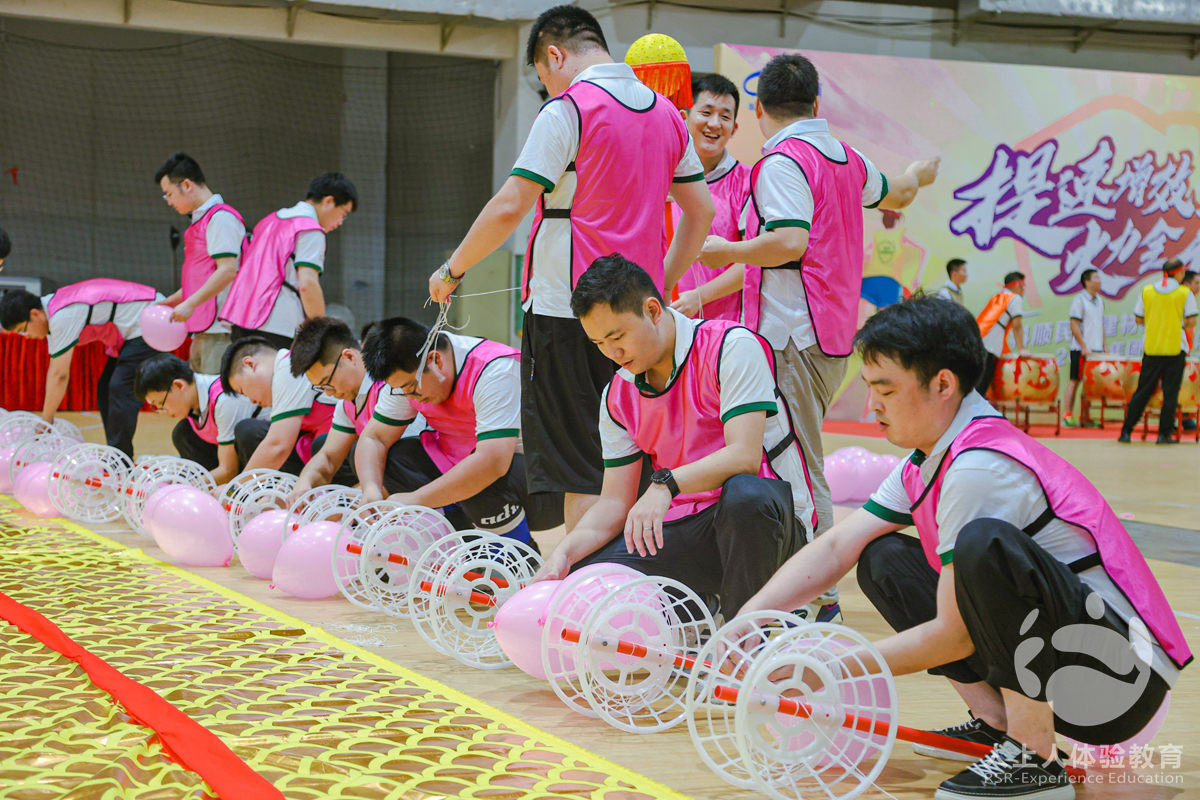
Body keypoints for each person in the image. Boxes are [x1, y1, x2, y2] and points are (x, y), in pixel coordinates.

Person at [738, 295, 1188, 800]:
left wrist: (823, 669)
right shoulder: (929, 457)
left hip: (1119, 684)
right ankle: (998, 724)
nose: (873, 406)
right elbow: (839, 544)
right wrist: (747, 619)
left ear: (943, 385)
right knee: (884, 560)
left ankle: (1034, 757)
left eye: (885, 390)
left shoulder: (980, 468)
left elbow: (950, 637)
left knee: (982, 546)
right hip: (1070, 664)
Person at [427, 5, 714, 534]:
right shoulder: (668, 115)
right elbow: (702, 212)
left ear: (555, 55)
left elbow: (511, 205)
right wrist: (662, 284)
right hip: (647, 320)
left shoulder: (568, 109)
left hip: (569, 315)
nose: (547, 86)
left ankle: (583, 580)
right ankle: (633, 575)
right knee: (634, 457)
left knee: (581, 467)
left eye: (543, 74)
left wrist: (452, 269)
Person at [697, 52, 938, 536]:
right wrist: (918, 172)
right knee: (787, 460)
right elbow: (900, 193)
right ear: (816, 104)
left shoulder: (781, 163)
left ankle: (819, 578)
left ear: (758, 108)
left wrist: (727, 250)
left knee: (800, 469)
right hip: (828, 335)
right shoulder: (847, 157)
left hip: (791, 337)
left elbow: (789, 241)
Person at [531, 255, 818, 621]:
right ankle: (698, 608)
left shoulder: (731, 346)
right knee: (586, 572)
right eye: (599, 342)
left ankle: (743, 634)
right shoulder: (617, 395)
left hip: (769, 526)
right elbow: (614, 502)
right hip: (690, 524)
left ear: (653, 310)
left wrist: (665, 484)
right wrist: (564, 552)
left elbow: (744, 457)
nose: (612, 353)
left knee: (745, 496)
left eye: (617, 337)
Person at [356, 317, 563, 544]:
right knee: (397, 460)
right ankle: (462, 545)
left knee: (481, 478)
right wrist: (371, 489)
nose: (410, 397)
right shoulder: (409, 374)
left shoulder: (496, 369)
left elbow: (493, 462)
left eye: (411, 388)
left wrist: (416, 498)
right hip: (470, 470)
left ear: (435, 360)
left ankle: (519, 554)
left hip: (545, 485)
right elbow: (374, 438)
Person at [0, 280, 164, 458]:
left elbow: (59, 375)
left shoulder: (62, 316)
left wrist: (46, 421)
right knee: (105, 388)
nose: (26, 337)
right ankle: (116, 453)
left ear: (34, 314)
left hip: (151, 318)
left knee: (120, 388)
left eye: (23, 330)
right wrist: (47, 419)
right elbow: (55, 370)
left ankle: (120, 459)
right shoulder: (52, 310)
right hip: (134, 326)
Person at [220, 172, 357, 349]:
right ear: (329, 201)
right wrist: (322, 330)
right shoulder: (310, 230)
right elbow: (307, 284)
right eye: (343, 214)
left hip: (239, 318)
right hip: (277, 325)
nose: (340, 222)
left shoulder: (269, 220)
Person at [667, 73, 750, 323]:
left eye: (725, 117)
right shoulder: (659, 174)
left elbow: (755, 259)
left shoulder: (748, 181)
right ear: (685, 116)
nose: (714, 124)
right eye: (706, 112)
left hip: (723, 325)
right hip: (659, 318)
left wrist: (698, 298)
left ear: (734, 128)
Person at [154, 152, 244, 373]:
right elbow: (200, 280)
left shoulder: (221, 218)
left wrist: (189, 304)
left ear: (186, 185)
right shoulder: (200, 222)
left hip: (221, 332)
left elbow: (227, 271)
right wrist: (173, 301)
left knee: (215, 394)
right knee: (200, 394)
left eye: (169, 194)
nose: (169, 202)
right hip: (203, 331)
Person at [283, 317, 384, 500]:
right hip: (380, 481)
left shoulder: (390, 386)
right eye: (321, 387)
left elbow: (404, 465)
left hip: (420, 479)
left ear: (350, 357)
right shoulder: (347, 403)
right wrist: (304, 483)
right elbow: (328, 457)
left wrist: (345, 500)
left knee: (365, 448)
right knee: (322, 444)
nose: (329, 393)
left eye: (327, 382)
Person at [133, 353, 266, 484]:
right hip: (238, 459)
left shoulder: (224, 400)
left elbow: (228, 471)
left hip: (266, 456)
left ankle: (254, 490)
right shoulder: (194, 403)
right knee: (182, 433)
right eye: (156, 407)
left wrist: (184, 488)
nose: (162, 412)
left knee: (246, 432)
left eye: (161, 404)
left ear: (179, 385)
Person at [219, 335, 340, 477]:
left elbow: (278, 445)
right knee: (251, 432)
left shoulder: (289, 367)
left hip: (344, 453)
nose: (251, 401)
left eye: (243, 391)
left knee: (251, 432)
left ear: (250, 364)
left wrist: (237, 486)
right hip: (327, 454)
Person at [1119, 258, 1197, 444]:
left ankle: (1126, 431)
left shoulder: (1147, 291)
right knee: (1170, 393)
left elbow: (1139, 319)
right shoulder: (1184, 293)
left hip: (1152, 348)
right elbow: (1191, 321)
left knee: (1143, 391)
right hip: (1175, 349)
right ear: (1179, 273)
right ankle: (1164, 435)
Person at [1063, 269, 1106, 428]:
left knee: (1091, 385)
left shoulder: (1100, 301)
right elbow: (1074, 325)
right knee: (1075, 381)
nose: (1099, 281)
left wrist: (1104, 346)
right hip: (1081, 350)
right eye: (1096, 278)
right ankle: (1068, 415)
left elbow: (1101, 324)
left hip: (1096, 350)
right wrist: (1083, 346)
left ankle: (1085, 416)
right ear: (1087, 282)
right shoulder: (1079, 300)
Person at [975, 271, 1030, 396]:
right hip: (988, 348)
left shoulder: (997, 297)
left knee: (975, 388)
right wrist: (1022, 349)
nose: (1024, 291)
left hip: (978, 342)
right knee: (980, 391)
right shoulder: (1014, 298)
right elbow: (1017, 326)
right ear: (1017, 285)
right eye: (1023, 287)